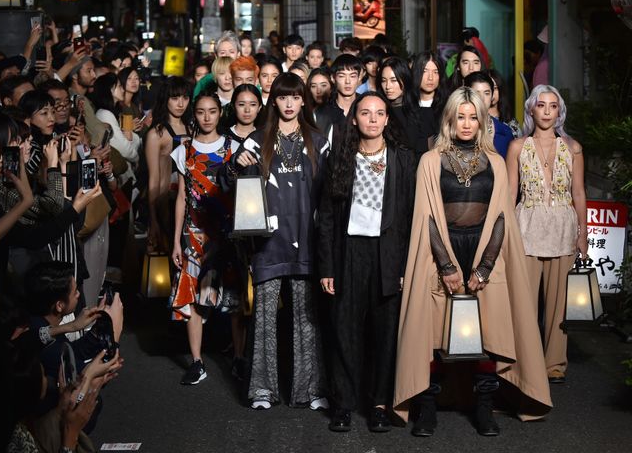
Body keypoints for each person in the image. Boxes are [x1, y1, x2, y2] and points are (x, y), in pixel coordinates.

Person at [394, 87, 552, 437]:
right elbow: (427, 218)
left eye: (473, 117)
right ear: (450, 119)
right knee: (434, 333)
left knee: (486, 333)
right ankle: (428, 410)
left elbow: (500, 219)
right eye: (460, 116)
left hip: (484, 252)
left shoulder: (495, 161)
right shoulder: (431, 160)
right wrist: (446, 266)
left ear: (482, 121)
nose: (467, 123)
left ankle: (484, 410)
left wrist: (484, 267)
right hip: (442, 251)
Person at [220, 73, 328, 410]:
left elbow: (329, 195)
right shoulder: (257, 139)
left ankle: (310, 391)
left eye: (295, 97)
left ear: (302, 101)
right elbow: (227, 182)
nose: (289, 104)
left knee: (307, 318)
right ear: (274, 101)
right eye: (283, 98)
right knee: (264, 317)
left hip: (307, 240)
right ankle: (262, 390)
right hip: (268, 242)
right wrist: (235, 165)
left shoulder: (317, 140)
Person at [318, 91, 416, 433]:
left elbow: (409, 219)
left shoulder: (403, 160)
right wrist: (327, 267)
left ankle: (378, 404)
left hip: (387, 254)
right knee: (344, 331)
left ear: (388, 120)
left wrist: (405, 267)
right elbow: (326, 218)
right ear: (354, 119)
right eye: (365, 113)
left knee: (384, 334)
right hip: (349, 254)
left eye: (379, 113)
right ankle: (342, 404)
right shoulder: (340, 158)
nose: (372, 119)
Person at [505, 84, 587, 384]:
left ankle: (555, 363)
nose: (547, 111)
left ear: (559, 112)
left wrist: (583, 234)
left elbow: (578, 192)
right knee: (523, 303)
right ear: (531, 109)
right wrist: (505, 234)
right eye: (542, 105)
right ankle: (524, 360)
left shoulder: (573, 147)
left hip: (563, 229)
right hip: (526, 227)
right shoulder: (517, 147)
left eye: (553, 106)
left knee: (558, 306)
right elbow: (510, 193)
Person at [169, 91, 244, 385]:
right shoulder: (183, 151)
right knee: (192, 299)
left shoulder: (233, 147)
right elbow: (180, 199)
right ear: (194, 115)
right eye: (201, 112)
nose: (207, 117)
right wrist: (176, 240)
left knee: (234, 297)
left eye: (212, 111)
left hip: (227, 232)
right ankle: (197, 361)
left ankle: (239, 358)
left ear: (219, 113)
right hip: (194, 233)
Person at [145, 77, 193, 253]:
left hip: (192, 204)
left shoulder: (193, 128)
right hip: (167, 205)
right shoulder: (156, 134)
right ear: (165, 100)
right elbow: (153, 181)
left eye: (185, 97)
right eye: (175, 98)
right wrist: (153, 220)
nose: (180, 103)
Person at [377, 57, 435, 156]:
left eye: (393, 80)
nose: (387, 86)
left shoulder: (424, 114)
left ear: (405, 79)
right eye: (383, 81)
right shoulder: (378, 114)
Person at [464, 71, 514, 158]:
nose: (482, 98)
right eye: (477, 93)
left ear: (491, 96)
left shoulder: (505, 132)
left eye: (487, 93)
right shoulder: (456, 129)